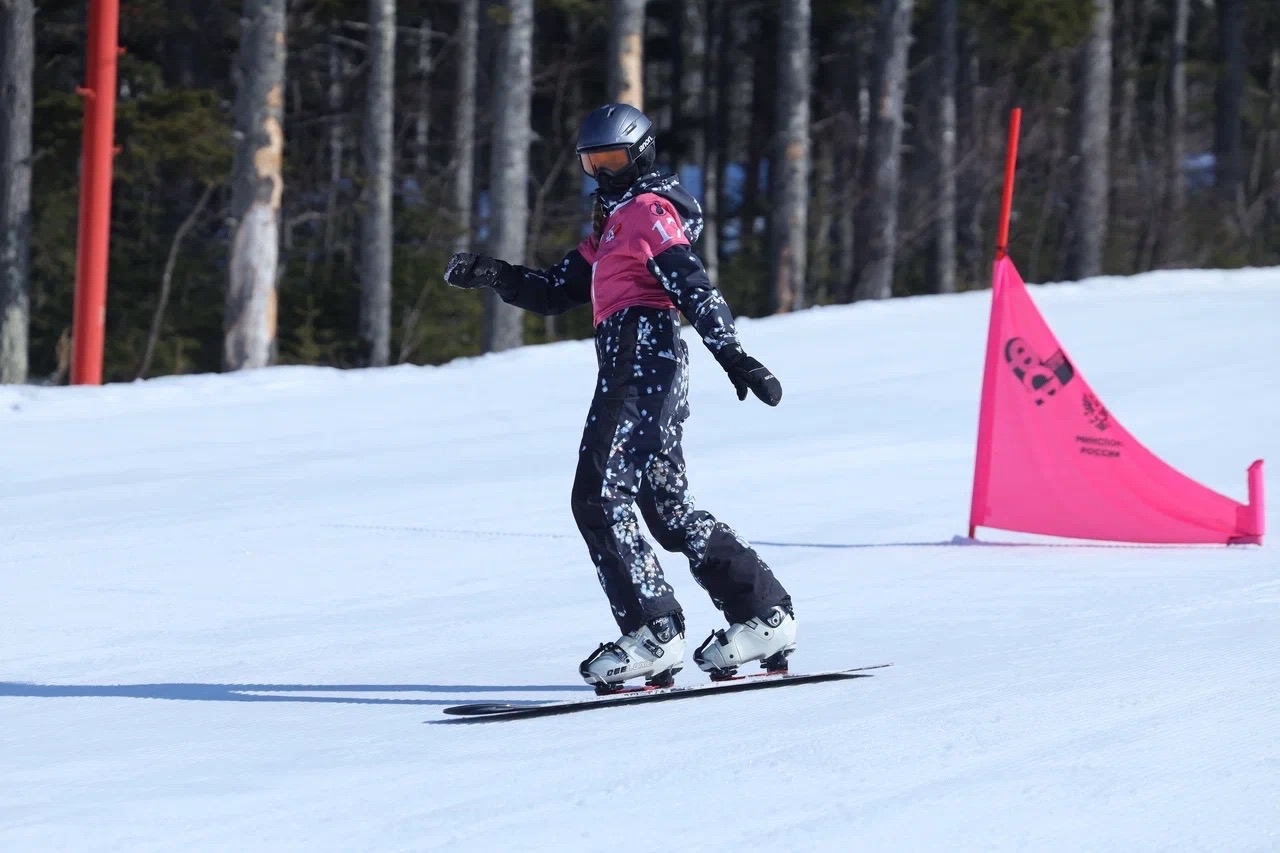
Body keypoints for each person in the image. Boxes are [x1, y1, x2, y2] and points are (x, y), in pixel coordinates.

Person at [444, 103, 795, 694]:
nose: (602, 173)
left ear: (641, 155)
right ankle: (763, 617)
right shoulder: (614, 228)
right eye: (591, 162)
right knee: (668, 510)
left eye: (612, 160)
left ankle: (652, 631)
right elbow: (556, 291)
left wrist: (734, 354)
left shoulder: (647, 213)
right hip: (644, 370)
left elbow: (691, 282)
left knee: (598, 497)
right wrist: (493, 272)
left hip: (640, 366)